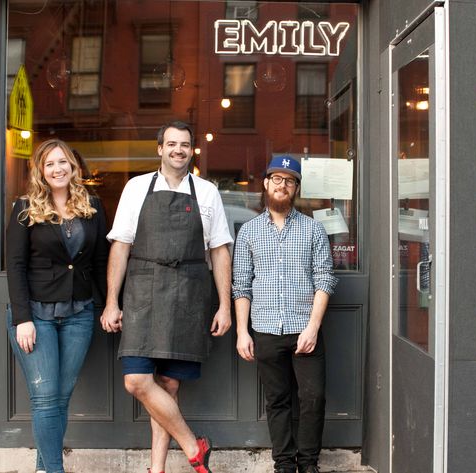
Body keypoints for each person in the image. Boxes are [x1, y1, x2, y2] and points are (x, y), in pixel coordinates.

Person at [101, 121, 233, 473]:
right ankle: (194, 445)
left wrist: (224, 304)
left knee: (169, 384)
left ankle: (156, 469)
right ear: (159, 149)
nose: (178, 149)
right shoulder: (136, 187)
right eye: (171, 143)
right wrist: (112, 301)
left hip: (189, 292)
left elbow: (220, 250)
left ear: (192, 150)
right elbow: (121, 246)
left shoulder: (206, 192)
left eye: (185, 144)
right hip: (143, 290)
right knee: (137, 381)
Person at [6, 139, 109, 473]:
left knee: (60, 397)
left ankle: (41, 468)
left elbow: (100, 261)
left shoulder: (92, 207)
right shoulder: (24, 207)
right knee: (46, 398)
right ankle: (54, 470)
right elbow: (16, 266)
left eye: (62, 162)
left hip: (79, 313)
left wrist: (111, 304)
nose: (57, 169)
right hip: (35, 315)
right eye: (49, 164)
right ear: (40, 171)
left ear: (73, 166)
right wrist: (22, 318)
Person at [232, 156, 338, 473]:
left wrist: (313, 328)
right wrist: (241, 331)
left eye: (289, 181)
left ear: (296, 189)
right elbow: (241, 285)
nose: (282, 185)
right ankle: (284, 464)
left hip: (304, 329)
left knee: (313, 398)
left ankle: (307, 463)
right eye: (276, 179)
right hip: (264, 329)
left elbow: (325, 279)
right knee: (277, 401)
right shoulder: (248, 232)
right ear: (265, 184)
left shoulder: (313, 230)